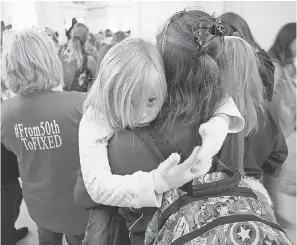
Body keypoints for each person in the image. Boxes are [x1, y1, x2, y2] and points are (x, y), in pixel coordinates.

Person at [1, 29, 89, 245]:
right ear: (50, 61)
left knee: (47, 238)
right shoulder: (81, 104)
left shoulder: (4, 114)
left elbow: (8, 167)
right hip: (79, 208)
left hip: (40, 207)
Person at [220, 12, 275, 101]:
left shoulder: (258, 63)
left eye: (222, 39)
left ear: (236, 36)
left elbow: (265, 95)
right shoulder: (258, 60)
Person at [1, 82, 28, 245]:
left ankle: (9, 231)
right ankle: (6, 237)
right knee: (8, 206)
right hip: (4, 172)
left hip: (8, 169)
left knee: (15, 197)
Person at [268, 22, 296, 138]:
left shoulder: (288, 65)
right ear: (289, 41)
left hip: (283, 129)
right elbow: (268, 100)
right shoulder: (276, 65)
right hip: (274, 131)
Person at [61, 23, 97, 92]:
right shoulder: (89, 60)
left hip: (64, 99)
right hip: (83, 100)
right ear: (85, 38)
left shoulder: (62, 56)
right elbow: (96, 84)